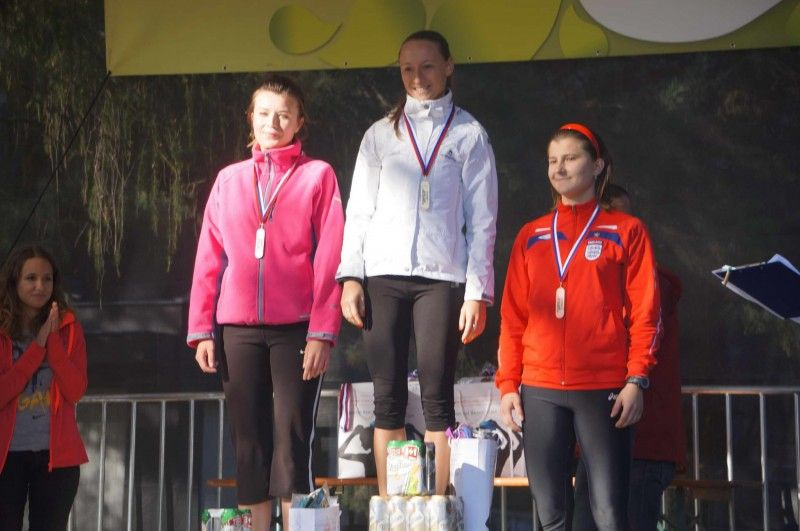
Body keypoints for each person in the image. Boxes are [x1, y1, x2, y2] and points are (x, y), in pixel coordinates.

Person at [337, 30, 498, 495]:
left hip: (440, 277)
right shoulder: (380, 134)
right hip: (382, 275)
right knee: (386, 398)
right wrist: (351, 277)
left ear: (448, 66)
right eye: (407, 68)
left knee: (437, 399)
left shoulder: (469, 134)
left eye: (427, 66)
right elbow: (359, 210)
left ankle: (433, 506)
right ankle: (395, 506)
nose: (417, 77)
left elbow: (483, 220)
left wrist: (476, 292)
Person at [187, 75, 344, 531]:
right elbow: (208, 256)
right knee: (248, 443)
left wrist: (322, 331)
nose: (272, 123)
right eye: (263, 113)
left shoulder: (318, 175)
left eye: (283, 115)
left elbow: (331, 255)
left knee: (292, 440)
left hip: (296, 328)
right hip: (236, 329)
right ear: (250, 118)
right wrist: (201, 329)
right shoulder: (229, 179)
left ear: (299, 122)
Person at [496, 123, 662, 530]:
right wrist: (508, 384)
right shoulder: (531, 235)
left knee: (608, 512)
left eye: (570, 158)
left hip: (604, 386)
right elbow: (513, 317)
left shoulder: (626, 231)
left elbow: (646, 312)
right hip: (540, 388)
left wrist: (636, 379)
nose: (559, 168)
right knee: (550, 513)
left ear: (597, 165)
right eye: (552, 160)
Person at [572, 184, 687, 531]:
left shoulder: (651, 285)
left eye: (622, 223)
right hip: (597, 443)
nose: (614, 233)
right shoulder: (583, 280)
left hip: (642, 446)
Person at [0, 245, 88, 531]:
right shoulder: (2, 329)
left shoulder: (68, 326)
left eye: (47, 279)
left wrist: (53, 343)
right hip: (6, 457)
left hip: (56, 459)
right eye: (31, 278)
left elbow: (75, 391)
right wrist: (37, 348)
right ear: (14, 281)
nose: (40, 286)